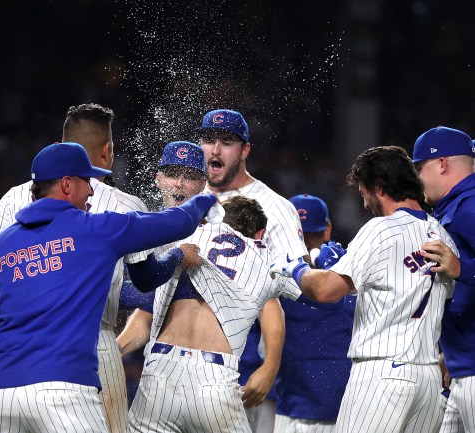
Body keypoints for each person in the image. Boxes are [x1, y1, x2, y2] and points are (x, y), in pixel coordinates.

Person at [0, 142, 217, 433]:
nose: (91, 189)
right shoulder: (97, 229)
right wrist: (206, 201)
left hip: (1, 395)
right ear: (66, 184)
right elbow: (180, 221)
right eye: (86, 180)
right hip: (64, 391)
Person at [0, 103, 145, 432]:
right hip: (91, 345)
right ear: (106, 151)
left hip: (13, 348)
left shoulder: (14, 197)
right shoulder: (126, 204)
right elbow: (146, 285)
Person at [270, 145, 458, 433]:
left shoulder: (380, 229)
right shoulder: (442, 235)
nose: (365, 201)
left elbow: (326, 290)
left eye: (364, 191)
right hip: (428, 380)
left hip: (382, 375)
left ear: (379, 187)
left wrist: (296, 268)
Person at [121, 141, 301, 433]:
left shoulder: (175, 233)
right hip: (207, 379)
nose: (180, 183)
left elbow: (137, 293)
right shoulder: (243, 246)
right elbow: (146, 312)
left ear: (203, 184)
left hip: (180, 375)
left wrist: (270, 366)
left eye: (189, 176)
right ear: (158, 178)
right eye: (172, 173)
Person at [197, 108, 309, 430]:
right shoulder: (189, 197)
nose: (215, 149)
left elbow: (289, 291)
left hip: (239, 369)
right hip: (178, 364)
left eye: (227, 141)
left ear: (245, 150)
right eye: (208, 140)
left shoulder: (275, 207)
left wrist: (271, 365)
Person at [271, 193, 354, 433]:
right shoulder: (275, 271)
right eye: (300, 236)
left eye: (312, 235)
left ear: (327, 230)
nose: (306, 244)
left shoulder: (350, 268)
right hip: (290, 404)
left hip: (345, 406)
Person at [412, 127, 475, 433]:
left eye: (419, 167)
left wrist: (462, 269)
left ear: (442, 164)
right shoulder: (456, 205)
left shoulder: (470, 205)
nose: (416, 177)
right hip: (461, 366)